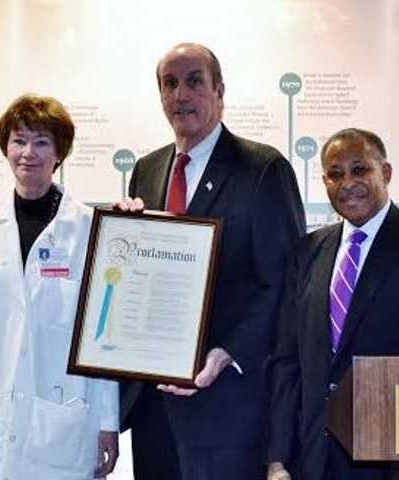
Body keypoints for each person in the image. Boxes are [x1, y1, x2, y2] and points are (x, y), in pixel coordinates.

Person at [118, 43, 306, 480]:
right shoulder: (147, 168)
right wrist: (124, 238)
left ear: (219, 91)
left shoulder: (262, 169)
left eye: (194, 82)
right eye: (170, 84)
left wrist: (226, 352)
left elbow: (282, 283)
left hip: (227, 404)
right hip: (154, 406)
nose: (180, 94)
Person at [0, 94, 119, 480]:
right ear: (5, 146)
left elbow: (101, 334)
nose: (28, 153)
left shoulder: (88, 227)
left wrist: (108, 422)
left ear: (59, 153)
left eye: (41, 141)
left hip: (59, 407)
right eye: (19, 140)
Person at [266, 128, 399, 480]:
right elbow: (288, 361)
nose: (347, 183)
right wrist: (278, 458)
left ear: (385, 173)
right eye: (335, 174)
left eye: (359, 170)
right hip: (313, 459)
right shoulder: (306, 252)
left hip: (393, 463)